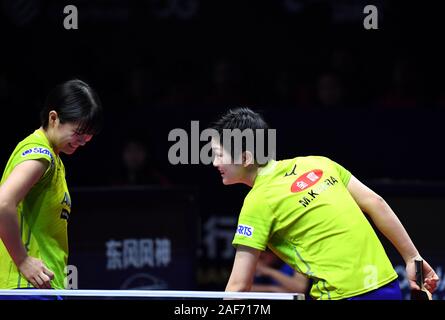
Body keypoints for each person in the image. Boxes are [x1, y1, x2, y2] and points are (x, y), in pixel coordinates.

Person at [211, 107, 439, 300]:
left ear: (245, 158)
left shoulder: (257, 201)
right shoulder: (318, 163)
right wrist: (412, 258)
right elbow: (375, 202)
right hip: (387, 287)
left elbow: (238, 288)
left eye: (219, 155)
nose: (214, 162)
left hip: (342, 295)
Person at [0, 79, 103, 295]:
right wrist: (23, 261)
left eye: (88, 136)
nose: (83, 141)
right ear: (53, 118)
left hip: (40, 287)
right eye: (78, 132)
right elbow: (3, 203)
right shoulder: (40, 153)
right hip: (24, 288)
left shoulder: (54, 160)